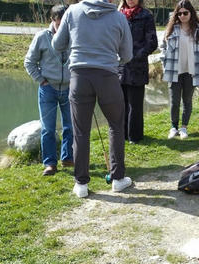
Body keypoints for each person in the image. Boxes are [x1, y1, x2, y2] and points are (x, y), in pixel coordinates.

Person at [52, 0, 133, 198]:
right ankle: (118, 179)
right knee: (115, 126)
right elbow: (128, 55)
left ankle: (81, 184)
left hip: (79, 77)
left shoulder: (72, 11)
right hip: (108, 77)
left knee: (80, 132)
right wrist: (111, 60)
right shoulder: (119, 17)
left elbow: (57, 45)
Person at [24, 4, 73, 176]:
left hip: (69, 88)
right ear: (52, 20)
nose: (62, 28)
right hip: (48, 89)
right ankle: (50, 164)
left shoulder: (74, 34)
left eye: (65, 24)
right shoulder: (41, 37)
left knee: (70, 126)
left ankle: (67, 158)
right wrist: (41, 80)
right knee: (48, 129)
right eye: (59, 24)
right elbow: (29, 62)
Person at [161, 0, 199, 139]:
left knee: (187, 100)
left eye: (185, 13)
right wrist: (164, 61)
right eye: (179, 13)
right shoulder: (171, 29)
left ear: (191, 13)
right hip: (174, 70)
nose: (182, 16)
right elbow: (163, 47)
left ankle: (184, 128)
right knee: (174, 101)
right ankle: (173, 127)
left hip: (191, 71)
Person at [118, 0, 158, 144]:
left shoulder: (146, 15)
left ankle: (134, 136)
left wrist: (137, 55)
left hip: (137, 66)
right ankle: (122, 135)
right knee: (120, 103)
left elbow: (153, 42)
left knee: (135, 104)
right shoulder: (117, 15)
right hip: (120, 66)